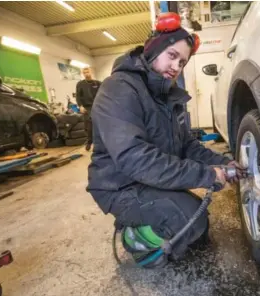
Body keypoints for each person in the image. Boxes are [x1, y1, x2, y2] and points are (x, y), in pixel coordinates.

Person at [87, 13, 246, 264]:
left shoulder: (168, 97)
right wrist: (207, 175)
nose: (176, 67)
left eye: (182, 62)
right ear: (152, 50)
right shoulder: (118, 89)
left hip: (147, 179)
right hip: (120, 186)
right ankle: (134, 237)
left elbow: (187, 146)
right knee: (189, 221)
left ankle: (153, 218)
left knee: (197, 226)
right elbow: (135, 159)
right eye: (172, 56)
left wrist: (221, 162)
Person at [76, 68, 101, 151]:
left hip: (98, 106)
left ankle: (99, 144)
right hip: (87, 108)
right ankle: (89, 141)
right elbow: (78, 96)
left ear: (91, 72)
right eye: (84, 72)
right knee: (89, 127)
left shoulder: (98, 83)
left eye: (88, 72)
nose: (86, 74)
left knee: (99, 125)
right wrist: (80, 106)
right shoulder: (80, 84)